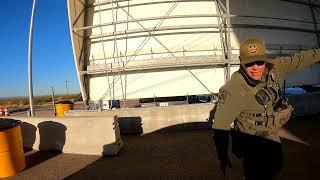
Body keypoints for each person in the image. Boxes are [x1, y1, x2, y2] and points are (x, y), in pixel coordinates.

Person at [212, 38, 320, 180]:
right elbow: (220, 126)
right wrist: (222, 156)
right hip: (252, 141)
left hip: (271, 133)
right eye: (249, 63)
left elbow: (299, 59)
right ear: (240, 61)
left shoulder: (274, 68)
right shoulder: (232, 90)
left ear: (265, 59)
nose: (255, 67)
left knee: (276, 166)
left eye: (259, 62)